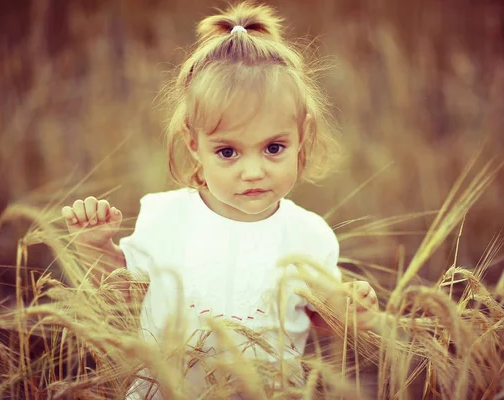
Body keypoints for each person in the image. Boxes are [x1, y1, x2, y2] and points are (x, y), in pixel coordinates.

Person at [61, 2, 379, 398]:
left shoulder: (308, 235)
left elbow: (321, 317)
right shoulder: (165, 218)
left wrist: (351, 312)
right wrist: (95, 249)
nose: (253, 171)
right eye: (228, 152)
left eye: (274, 148)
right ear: (195, 145)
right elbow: (123, 294)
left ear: (302, 135)